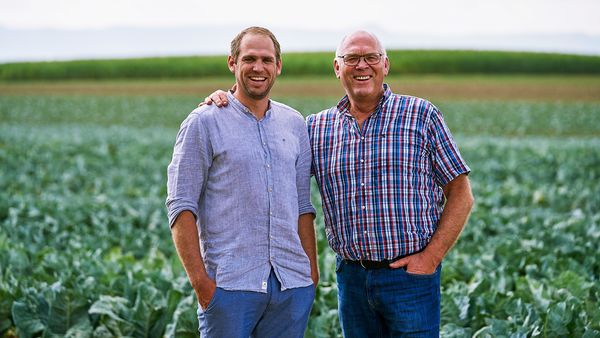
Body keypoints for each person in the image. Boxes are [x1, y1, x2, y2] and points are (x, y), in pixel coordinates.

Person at [204, 30, 474, 337]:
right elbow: (271, 173)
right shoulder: (316, 128)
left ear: (385, 65)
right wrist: (226, 102)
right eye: (352, 58)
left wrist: (431, 257)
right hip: (352, 280)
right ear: (337, 68)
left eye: (371, 57)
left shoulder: (420, 115)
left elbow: (461, 193)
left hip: (410, 280)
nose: (362, 65)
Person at [166, 26, 319, 338]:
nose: (258, 67)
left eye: (267, 59)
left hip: (292, 284)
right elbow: (181, 206)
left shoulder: (295, 124)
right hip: (230, 287)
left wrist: (310, 276)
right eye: (249, 58)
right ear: (232, 63)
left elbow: (304, 206)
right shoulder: (204, 121)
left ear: (279, 65)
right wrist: (202, 284)